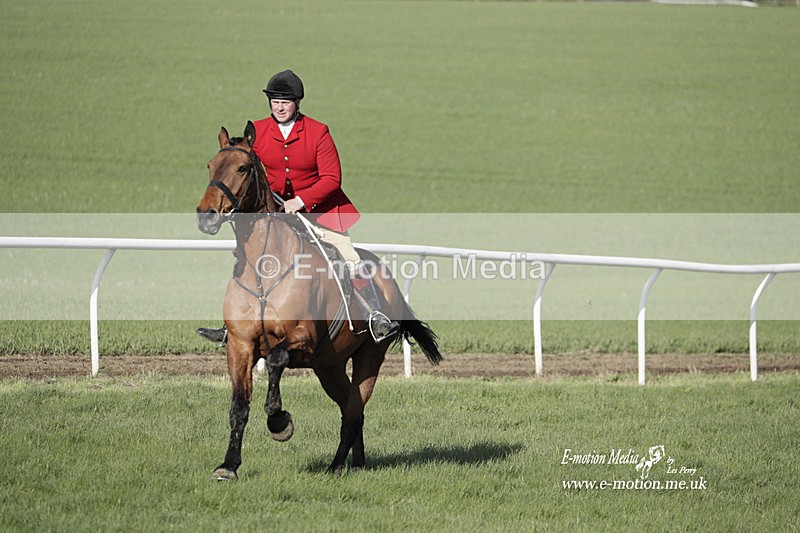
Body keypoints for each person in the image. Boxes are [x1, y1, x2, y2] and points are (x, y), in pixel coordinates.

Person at [198, 69, 397, 344]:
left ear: (297, 103)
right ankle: (231, 326)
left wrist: (300, 201)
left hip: (320, 213)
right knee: (247, 259)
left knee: (347, 256)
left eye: (285, 102)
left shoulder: (318, 131)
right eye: (275, 101)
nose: (279, 107)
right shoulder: (257, 131)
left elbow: (332, 178)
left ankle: (376, 315)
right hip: (275, 214)